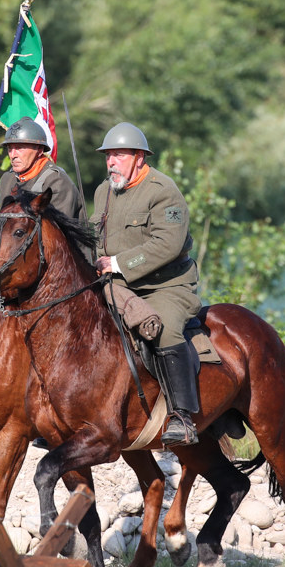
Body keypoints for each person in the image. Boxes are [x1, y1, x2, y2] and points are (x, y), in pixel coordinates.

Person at [91, 122, 202, 445]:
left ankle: (183, 416)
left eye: (119, 155)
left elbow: (167, 245)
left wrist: (118, 264)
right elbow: (97, 240)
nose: (111, 162)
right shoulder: (103, 192)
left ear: (139, 157)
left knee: (164, 327)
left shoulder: (163, 191)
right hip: (117, 286)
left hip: (167, 285)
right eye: (108, 155)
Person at [0, 117, 83, 220]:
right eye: (10, 148)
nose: (13, 155)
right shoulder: (7, 179)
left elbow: (56, 233)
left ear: (39, 149)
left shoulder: (57, 181)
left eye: (20, 147)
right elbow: (3, 225)